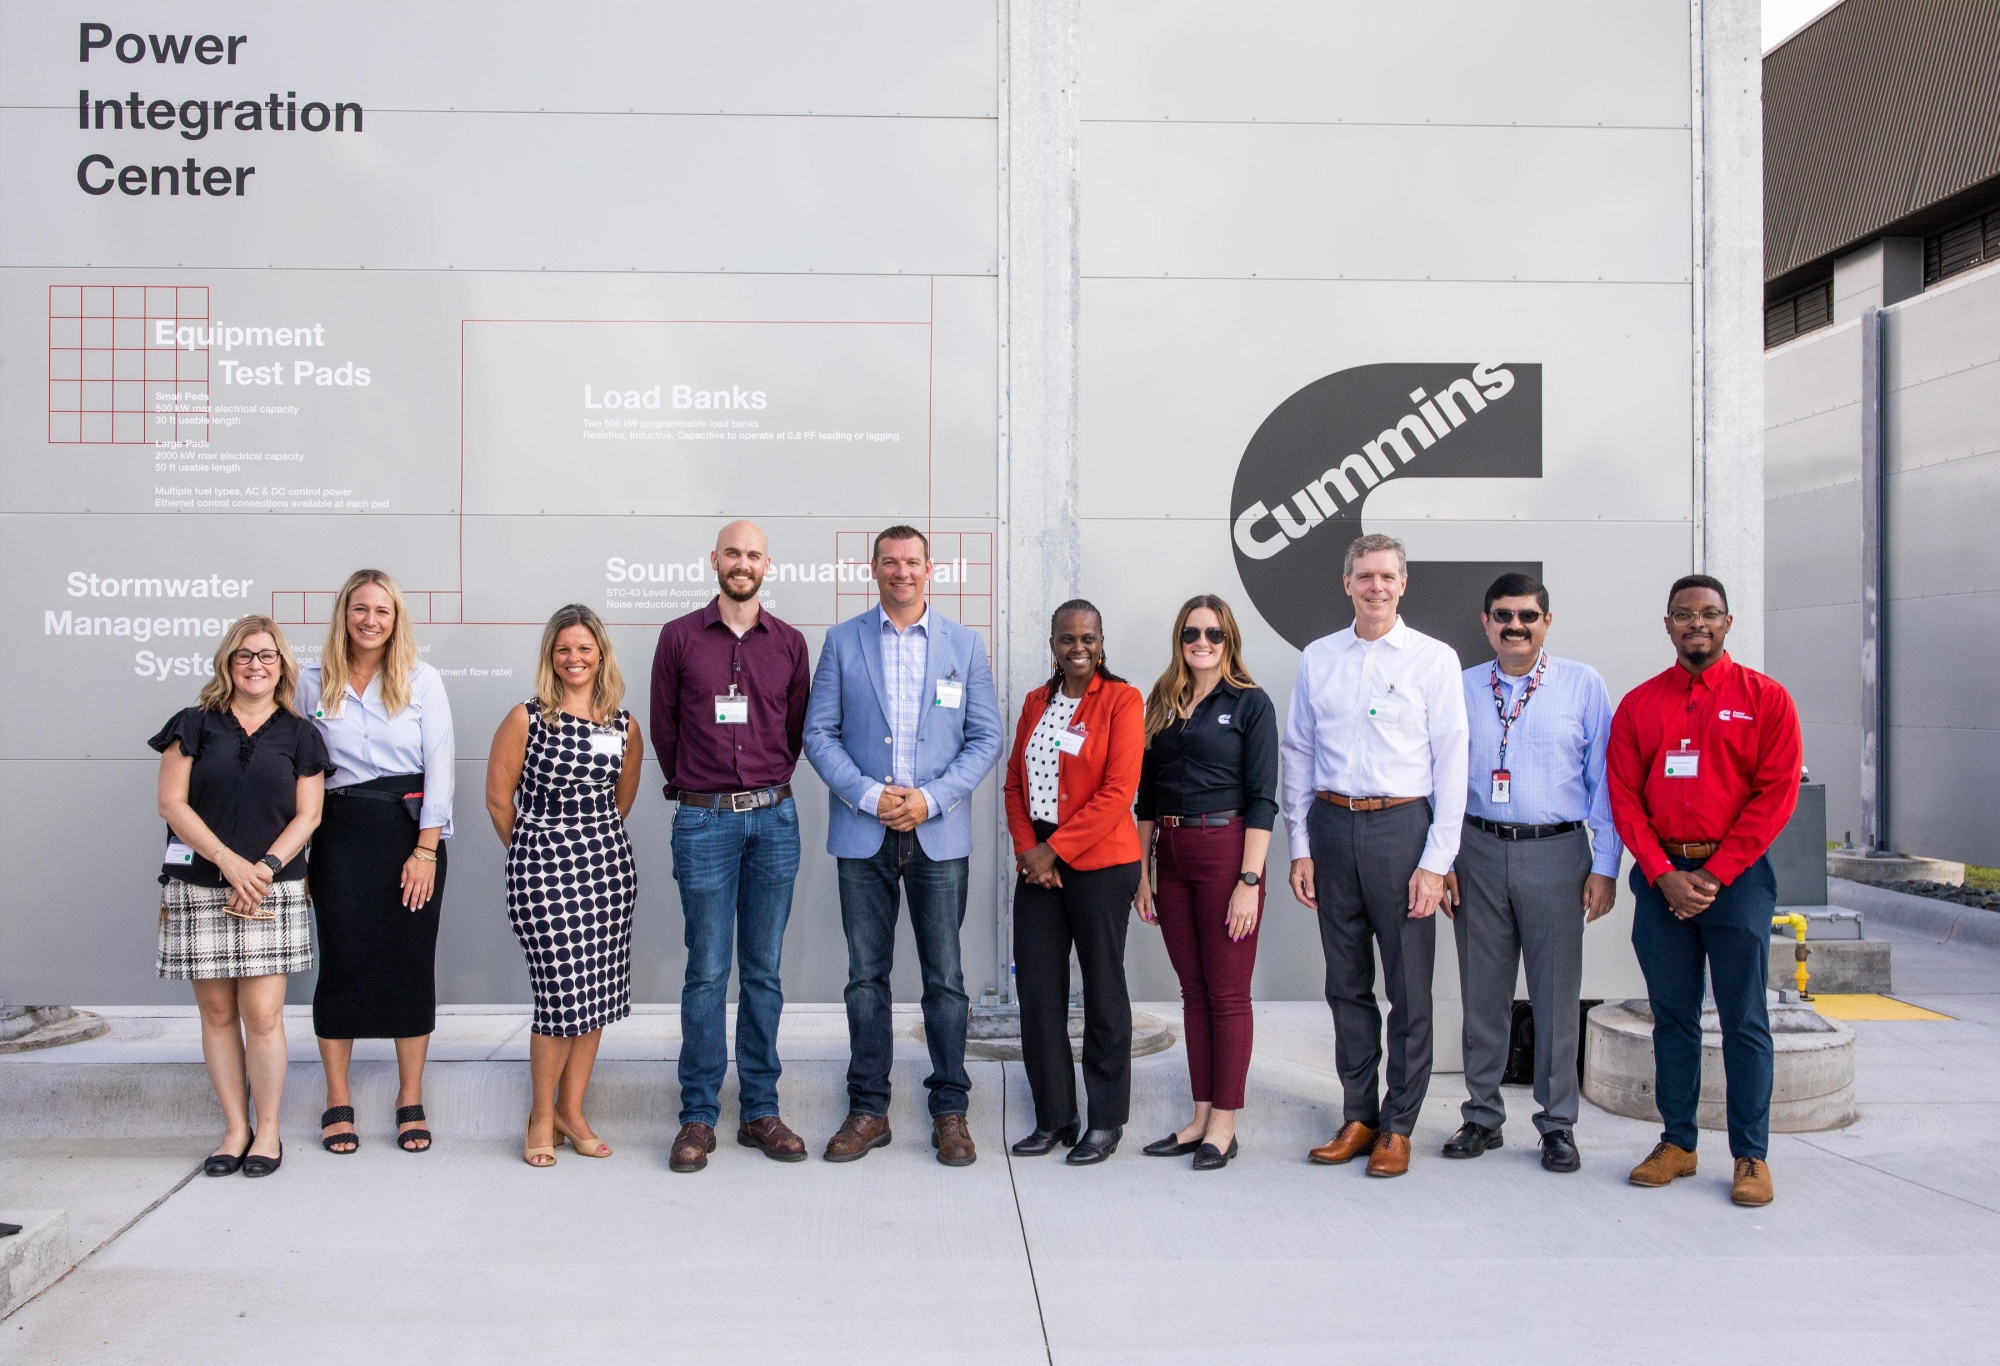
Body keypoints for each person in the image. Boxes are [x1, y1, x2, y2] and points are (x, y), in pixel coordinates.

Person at [802, 525, 1003, 1166]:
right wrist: (867, 795)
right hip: (864, 834)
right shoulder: (841, 642)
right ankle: (868, 1109)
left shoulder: (964, 646)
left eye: (912, 561)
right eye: (890, 562)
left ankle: (950, 1110)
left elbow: (984, 738)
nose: (901, 572)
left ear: (930, 568)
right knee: (866, 979)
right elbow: (819, 733)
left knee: (945, 981)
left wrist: (931, 799)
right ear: (874, 569)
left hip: (937, 835)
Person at [1608, 574, 1800, 1208]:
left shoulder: (1765, 699)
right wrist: (1663, 872)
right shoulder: (1641, 704)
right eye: (1683, 615)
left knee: (1745, 1019)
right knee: (1673, 1017)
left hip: (1737, 881)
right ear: (1667, 624)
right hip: (1663, 881)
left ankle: (1751, 1154)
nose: (1696, 623)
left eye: (1708, 614)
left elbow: (1775, 795)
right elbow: (1624, 798)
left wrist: (1716, 875)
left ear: (1727, 622)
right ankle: (1678, 1143)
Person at [1282, 533, 1468, 1179]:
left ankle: (1399, 1125)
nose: (1376, 587)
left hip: (1403, 830)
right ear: (1346, 584)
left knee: (1410, 992)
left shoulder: (1432, 659)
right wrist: (1300, 845)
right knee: (1346, 987)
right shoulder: (1320, 657)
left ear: (1403, 584)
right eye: (1365, 576)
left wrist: (1436, 862)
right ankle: (1358, 1116)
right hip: (1333, 826)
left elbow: (1453, 762)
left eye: (1387, 576)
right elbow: (1298, 754)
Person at [1441, 573, 1621, 1173]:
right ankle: (1482, 1117)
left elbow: (1606, 782)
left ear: (1547, 621)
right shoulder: (1460, 687)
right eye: (1502, 616)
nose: (1514, 626)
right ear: (1486, 622)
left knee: (1554, 994)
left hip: (1557, 853)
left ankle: (1558, 1124)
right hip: (1478, 850)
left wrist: (1605, 865)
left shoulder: (1582, 685)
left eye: (1526, 615)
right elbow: (1437, 779)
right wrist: (1440, 863)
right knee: (1482, 995)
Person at [650, 521, 812, 1174]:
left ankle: (760, 1111)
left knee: (764, 971)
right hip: (704, 820)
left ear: (767, 565)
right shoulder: (679, 638)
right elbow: (665, 730)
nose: (742, 564)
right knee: (707, 971)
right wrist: (703, 787)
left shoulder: (792, 644)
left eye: (753, 555)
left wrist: (762, 784)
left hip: (774, 819)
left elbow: (795, 730)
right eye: (732, 553)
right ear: (714, 561)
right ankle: (696, 1116)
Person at [151, 616, 331, 1179]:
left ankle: (269, 1129)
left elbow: (311, 813)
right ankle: (235, 1128)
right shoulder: (194, 724)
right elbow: (172, 804)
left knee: (263, 1012)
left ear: (283, 666)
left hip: (270, 888)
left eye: (268, 655)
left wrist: (265, 868)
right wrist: (228, 862)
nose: (257, 664)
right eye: (245, 655)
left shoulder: (301, 734)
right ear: (227, 663)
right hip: (202, 883)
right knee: (217, 1011)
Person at [299, 569, 455, 1156]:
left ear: (397, 620)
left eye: (382, 611)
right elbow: (299, 773)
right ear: (344, 614)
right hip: (337, 835)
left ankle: (408, 1096)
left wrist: (425, 849)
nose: (370, 620)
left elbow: (440, 768)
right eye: (360, 609)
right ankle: (337, 1099)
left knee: (410, 962)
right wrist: (302, 855)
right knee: (340, 961)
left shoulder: (422, 680)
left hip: (408, 832)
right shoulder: (310, 683)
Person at [486, 605, 644, 1168]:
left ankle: (571, 1112)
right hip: (543, 869)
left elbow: (621, 800)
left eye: (583, 648)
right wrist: (537, 850)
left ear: (600, 653)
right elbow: (499, 801)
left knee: (596, 994)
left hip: (606, 868)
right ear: (550, 657)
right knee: (558, 996)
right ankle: (538, 1114)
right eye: (563, 649)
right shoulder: (527, 718)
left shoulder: (623, 725)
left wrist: (589, 841)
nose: (573, 659)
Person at [1133, 595, 1278, 1170]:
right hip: (1170, 854)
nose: (1202, 642)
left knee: (1227, 993)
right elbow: (1147, 796)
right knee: (1193, 994)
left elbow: (1263, 799)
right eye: (1192, 632)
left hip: (1226, 853)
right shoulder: (1161, 704)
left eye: (1214, 633)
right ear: (1179, 637)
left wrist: (1249, 879)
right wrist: (1143, 871)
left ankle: (1225, 1124)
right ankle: (1199, 1116)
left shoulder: (1251, 704)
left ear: (1229, 639)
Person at [1003, 600, 1146, 1166]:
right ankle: (1055, 1116)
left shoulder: (1122, 701)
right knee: (1038, 995)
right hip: (1038, 863)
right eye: (1067, 638)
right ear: (1053, 643)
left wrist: (1053, 851)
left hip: (1102, 865)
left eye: (1087, 637)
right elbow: (1015, 784)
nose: (1077, 647)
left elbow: (1118, 793)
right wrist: (1028, 852)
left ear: (1102, 641)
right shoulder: (1037, 702)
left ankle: (1105, 1120)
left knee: (1104, 991)